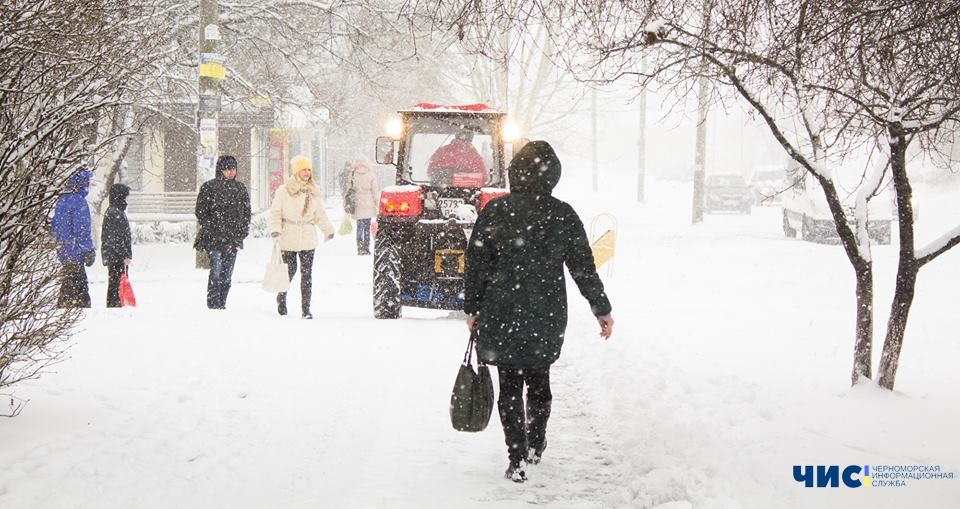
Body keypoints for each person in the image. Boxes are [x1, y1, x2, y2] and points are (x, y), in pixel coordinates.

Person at [463, 140, 614, 483]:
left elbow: (477, 265)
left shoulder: (496, 211)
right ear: (553, 175)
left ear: (514, 171)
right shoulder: (563, 215)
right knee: (540, 381)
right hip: (546, 313)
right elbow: (583, 268)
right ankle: (535, 443)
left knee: (510, 385)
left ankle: (516, 455)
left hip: (502, 310)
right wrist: (600, 308)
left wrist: (472, 307)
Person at [269, 155, 334, 319]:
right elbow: (276, 211)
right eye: (303, 169)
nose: (307, 172)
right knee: (290, 271)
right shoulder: (284, 191)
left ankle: (306, 309)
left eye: (309, 169)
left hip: (307, 237)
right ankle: (281, 298)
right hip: (288, 236)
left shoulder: (313, 191)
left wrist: (328, 230)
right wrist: (276, 229)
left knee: (307, 274)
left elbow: (320, 214)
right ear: (296, 171)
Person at [194, 155, 251, 310]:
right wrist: (210, 226)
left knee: (227, 275)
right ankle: (213, 304)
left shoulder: (240, 188)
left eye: (233, 169)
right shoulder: (209, 187)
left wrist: (242, 231)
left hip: (233, 239)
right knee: (216, 271)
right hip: (215, 239)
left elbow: (246, 213)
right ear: (221, 170)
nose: (231, 172)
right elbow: (201, 211)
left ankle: (222, 302)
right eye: (228, 169)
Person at [51, 168, 96, 308]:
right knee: (79, 288)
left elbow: (56, 227)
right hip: (75, 251)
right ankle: (76, 312)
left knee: (69, 283)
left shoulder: (61, 201)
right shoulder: (78, 202)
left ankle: (66, 307)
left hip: (64, 250)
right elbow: (82, 229)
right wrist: (88, 249)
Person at [101, 183, 132, 307]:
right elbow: (116, 239)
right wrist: (125, 255)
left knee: (116, 284)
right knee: (116, 286)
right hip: (116, 257)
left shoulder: (115, 211)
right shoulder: (116, 213)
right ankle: (115, 307)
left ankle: (116, 305)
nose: (127, 199)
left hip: (114, 256)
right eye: (125, 196)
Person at [344, 160, 380, 255]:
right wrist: (377, 204)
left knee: (359, 227)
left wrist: (346, 202)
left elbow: (348, 189)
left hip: (357, 202)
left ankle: (360, 248)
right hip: (368, 203)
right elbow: (375, 191)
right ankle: (366, 248)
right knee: (367, 226)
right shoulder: (371, 174)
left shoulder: (353, 174)